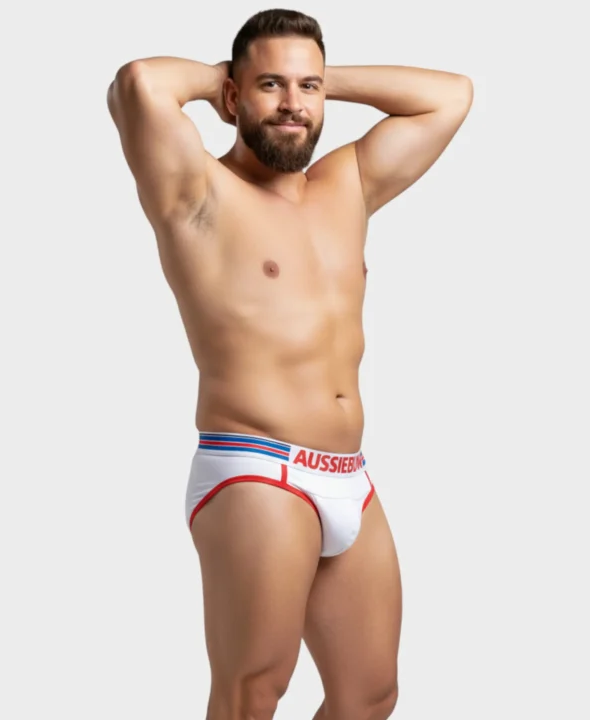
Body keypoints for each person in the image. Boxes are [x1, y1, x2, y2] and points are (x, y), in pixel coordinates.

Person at [107, 8, 472, 719]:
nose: (293, 104)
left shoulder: (349, 183)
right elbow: (139, 83)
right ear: (233, 96)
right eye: (270, 86)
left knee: (370, 695)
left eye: (309, 87)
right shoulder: (197, 193)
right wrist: (227, 77)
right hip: (256, 468)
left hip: (349, 476)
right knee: (254, 691)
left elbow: (451, 95)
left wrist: (316, 80)